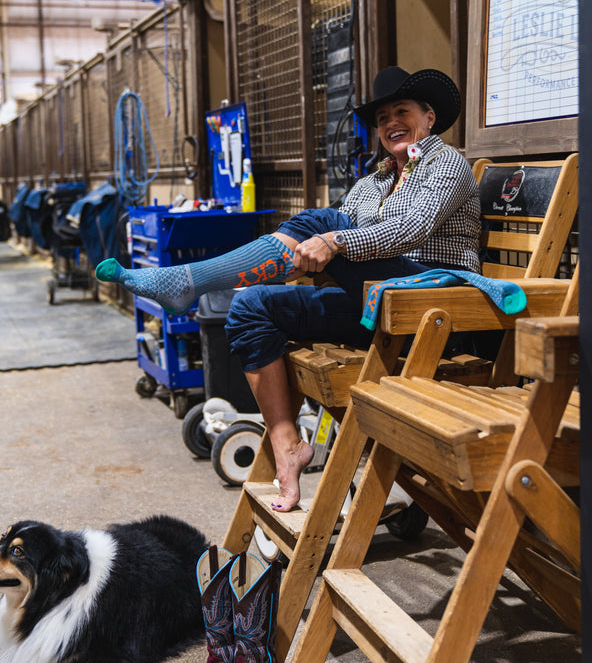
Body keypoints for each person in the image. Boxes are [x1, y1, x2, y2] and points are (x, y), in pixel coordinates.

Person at [96, 66, 480, 512]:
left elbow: (413, 227)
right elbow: (325, 249)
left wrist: (335, 240)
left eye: (402, 111)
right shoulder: (370, 182)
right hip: (379, 301)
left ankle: (188, 282)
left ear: (429, 117)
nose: (391, 122)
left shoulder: (445, 161)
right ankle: (287, 444)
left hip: (436, 303)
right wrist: (297, 259)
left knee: (326, 223)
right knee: (250, 306)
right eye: (382, 118)